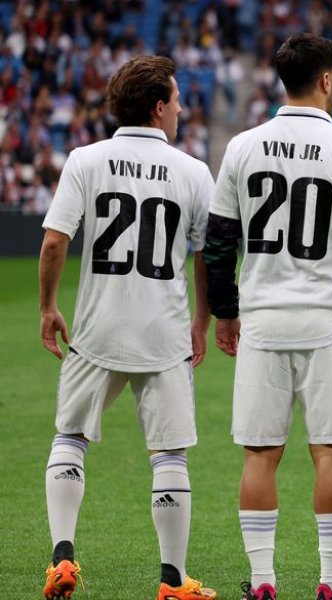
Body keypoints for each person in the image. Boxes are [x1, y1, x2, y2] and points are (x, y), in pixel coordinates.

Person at [204, 33, 332, 600]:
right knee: (330, 452)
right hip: (327, 322)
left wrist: (224, 312)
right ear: (328, 81)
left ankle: (263, 585)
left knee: (260, 455)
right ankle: (331, 585)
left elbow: (218, 243)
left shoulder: (242, 147)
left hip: (262, 320)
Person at [38, 55, 217, 600]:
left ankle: (62, 560)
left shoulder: (85, 160)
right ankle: (171, 581)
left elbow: (53, 241)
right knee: (169, 455)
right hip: (163, 335)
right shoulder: (192, 171)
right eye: (179, 99)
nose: (183, 109)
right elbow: (208, 255)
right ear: (159, 107)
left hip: (96, 329)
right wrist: (202, 320)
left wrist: (48, 306)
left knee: (70, 439)